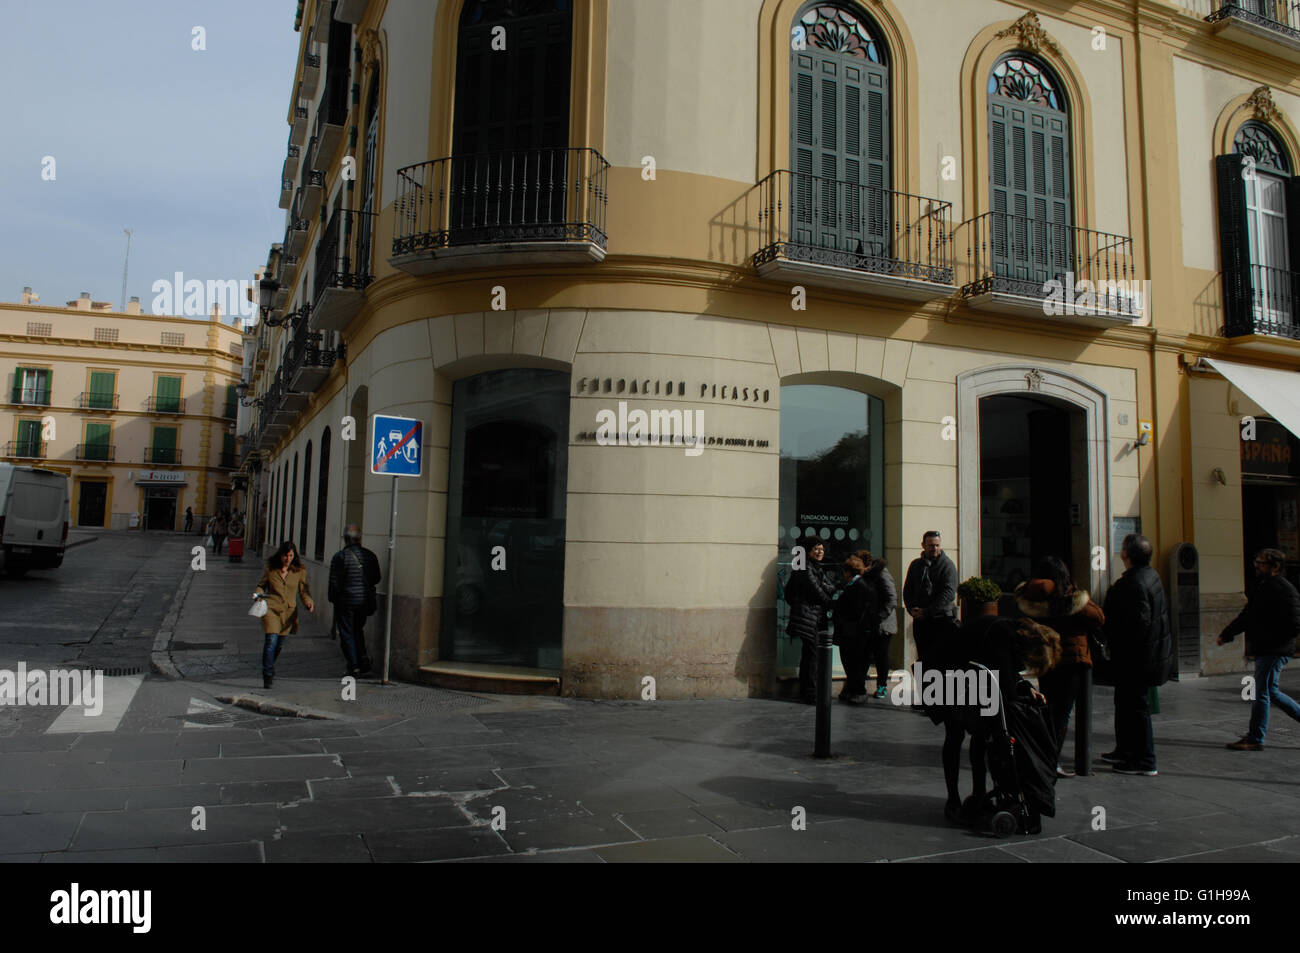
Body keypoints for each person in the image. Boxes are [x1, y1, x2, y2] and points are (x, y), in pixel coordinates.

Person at [933, 616, 1061, 828]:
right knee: (955, 734)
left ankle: (978, 794)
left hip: (964, 673)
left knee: (981, 732)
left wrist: (1026, 688)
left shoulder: (1011, 631)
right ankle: (954, 799)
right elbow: (1004, 674)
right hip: (944, 673)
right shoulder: (1002, 633)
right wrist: (1019, 695)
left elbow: (1006, 671)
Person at [1015, 556, 1105, 777]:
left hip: (1046, 659)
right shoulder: (1067, 597)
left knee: (1047, 710)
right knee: (1061, 715)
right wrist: (1078, 595)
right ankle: (1050, 762)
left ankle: (1041, 757)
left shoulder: (1031, 594)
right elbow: (1098, 616)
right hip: (1070, 660)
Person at [1100, 533, 1172, 776]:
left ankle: (1144, 760)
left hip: (1136, 659)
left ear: (1125, 555)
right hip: (1146, 656)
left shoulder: (1134, 583)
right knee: (1125, 704)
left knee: (1136, 708)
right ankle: (1124, 750)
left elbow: (1137, 624)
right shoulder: (1151, 576)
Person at [1217, 548, 1300, 751]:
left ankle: (1255, 737)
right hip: (1267, 648)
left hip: (1274, 650)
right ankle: (1255, 736)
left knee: (1261, 692)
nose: (1257, 566)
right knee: (1269, 691)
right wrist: (1228, 634)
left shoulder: (1284, 590)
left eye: (1261, 563)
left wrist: (1271, 638)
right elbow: (1248, 615)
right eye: (1257, 562)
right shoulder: (1263, 586)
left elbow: (1294, 624)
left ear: (1275, 567)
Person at [254, 540, 314, 689]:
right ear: (280, 555)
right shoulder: (271, 569)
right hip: (271, 609)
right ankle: (267, 674)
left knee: (279, 645)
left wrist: (308, 602)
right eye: (285, 556)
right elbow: (261, 585)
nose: (288, 559)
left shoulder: (299, 571)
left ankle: (270, 666)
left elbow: (303, 590)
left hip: (288, 613)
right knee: (271, 642)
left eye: (291, 556)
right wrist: (258, 594)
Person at [785, 538, 838, 704]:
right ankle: (810, 693)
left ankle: (808, 690)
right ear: (808, 551)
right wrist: (831, 603)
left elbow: (828, 586)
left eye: (822, 549)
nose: (820, 552)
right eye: (816, 548)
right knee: (812, 656)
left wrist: (832, 591)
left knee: (810, 655)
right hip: (807, 617)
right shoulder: (805, 568)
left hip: (812, 617)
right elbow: (816, 590)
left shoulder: (815, 567)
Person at [328, 524, 383, 678]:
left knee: (346, 633)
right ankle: (361, 658)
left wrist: (334, 599)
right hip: (363, 602)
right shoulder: (370, 556)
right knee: (357, 630)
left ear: (345, 539)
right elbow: (377, 578)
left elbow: (334, 583)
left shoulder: (340, 557)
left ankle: (354, 665)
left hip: (346, 602)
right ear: (360, 538)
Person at [902, 531, 958, 664]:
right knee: (923, 657)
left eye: (937, 545)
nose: (935, 549)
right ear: (923, 545)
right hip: (921, 621)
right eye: (931, 545)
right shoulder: (916, 565)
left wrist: (928, 611)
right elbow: (908, 590)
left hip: (941, 620)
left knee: (940, 658)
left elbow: (949, 593)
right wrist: (912, 609)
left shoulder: (947, 565)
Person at [857, 549, 898, 698]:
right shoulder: (866, 575)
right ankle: (859, 685)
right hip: (870, 623)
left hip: (883, 625)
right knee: (865, 655)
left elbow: (892, 598)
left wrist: (879, 616)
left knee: (881, 656)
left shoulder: (881, 573)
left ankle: (882, 685)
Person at [834, 555, 872, 704]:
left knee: (854, 663)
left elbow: (857, 611)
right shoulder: (855, 585)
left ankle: (858, 691)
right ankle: (852, 689)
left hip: (853, 632)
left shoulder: (859, 587)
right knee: (851, 662)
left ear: (848, 571)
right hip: (850, 631)